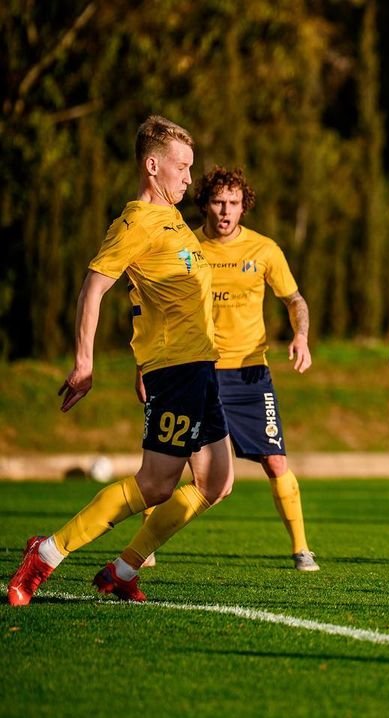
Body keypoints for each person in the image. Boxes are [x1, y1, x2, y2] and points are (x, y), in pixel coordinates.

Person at [7, 115, 235, 605]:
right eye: (182, 167)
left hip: (199, 368)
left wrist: (139, 362)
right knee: (155, 485)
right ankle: (46, 555)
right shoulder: (134, 223)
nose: (189, 178)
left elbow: (150, 299)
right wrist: (84, 362)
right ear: (152, 166)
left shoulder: (172, 218)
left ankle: (122, 569)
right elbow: (94, 287)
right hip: (177, 372)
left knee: (216, 482)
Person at [138, 167, 319, 571]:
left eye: (234, 203)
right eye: (219, 202)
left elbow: (295, 300)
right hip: (194, 369)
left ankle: (302, 549)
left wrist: (301, 336)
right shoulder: (186, 246)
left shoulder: (264, 250)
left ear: (243, 207)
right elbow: (158, 306)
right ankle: (144, 545)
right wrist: (147, 364)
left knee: (276, 461)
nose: (226, 211)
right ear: (205, 203)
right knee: (169, 464)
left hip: (251, 374)